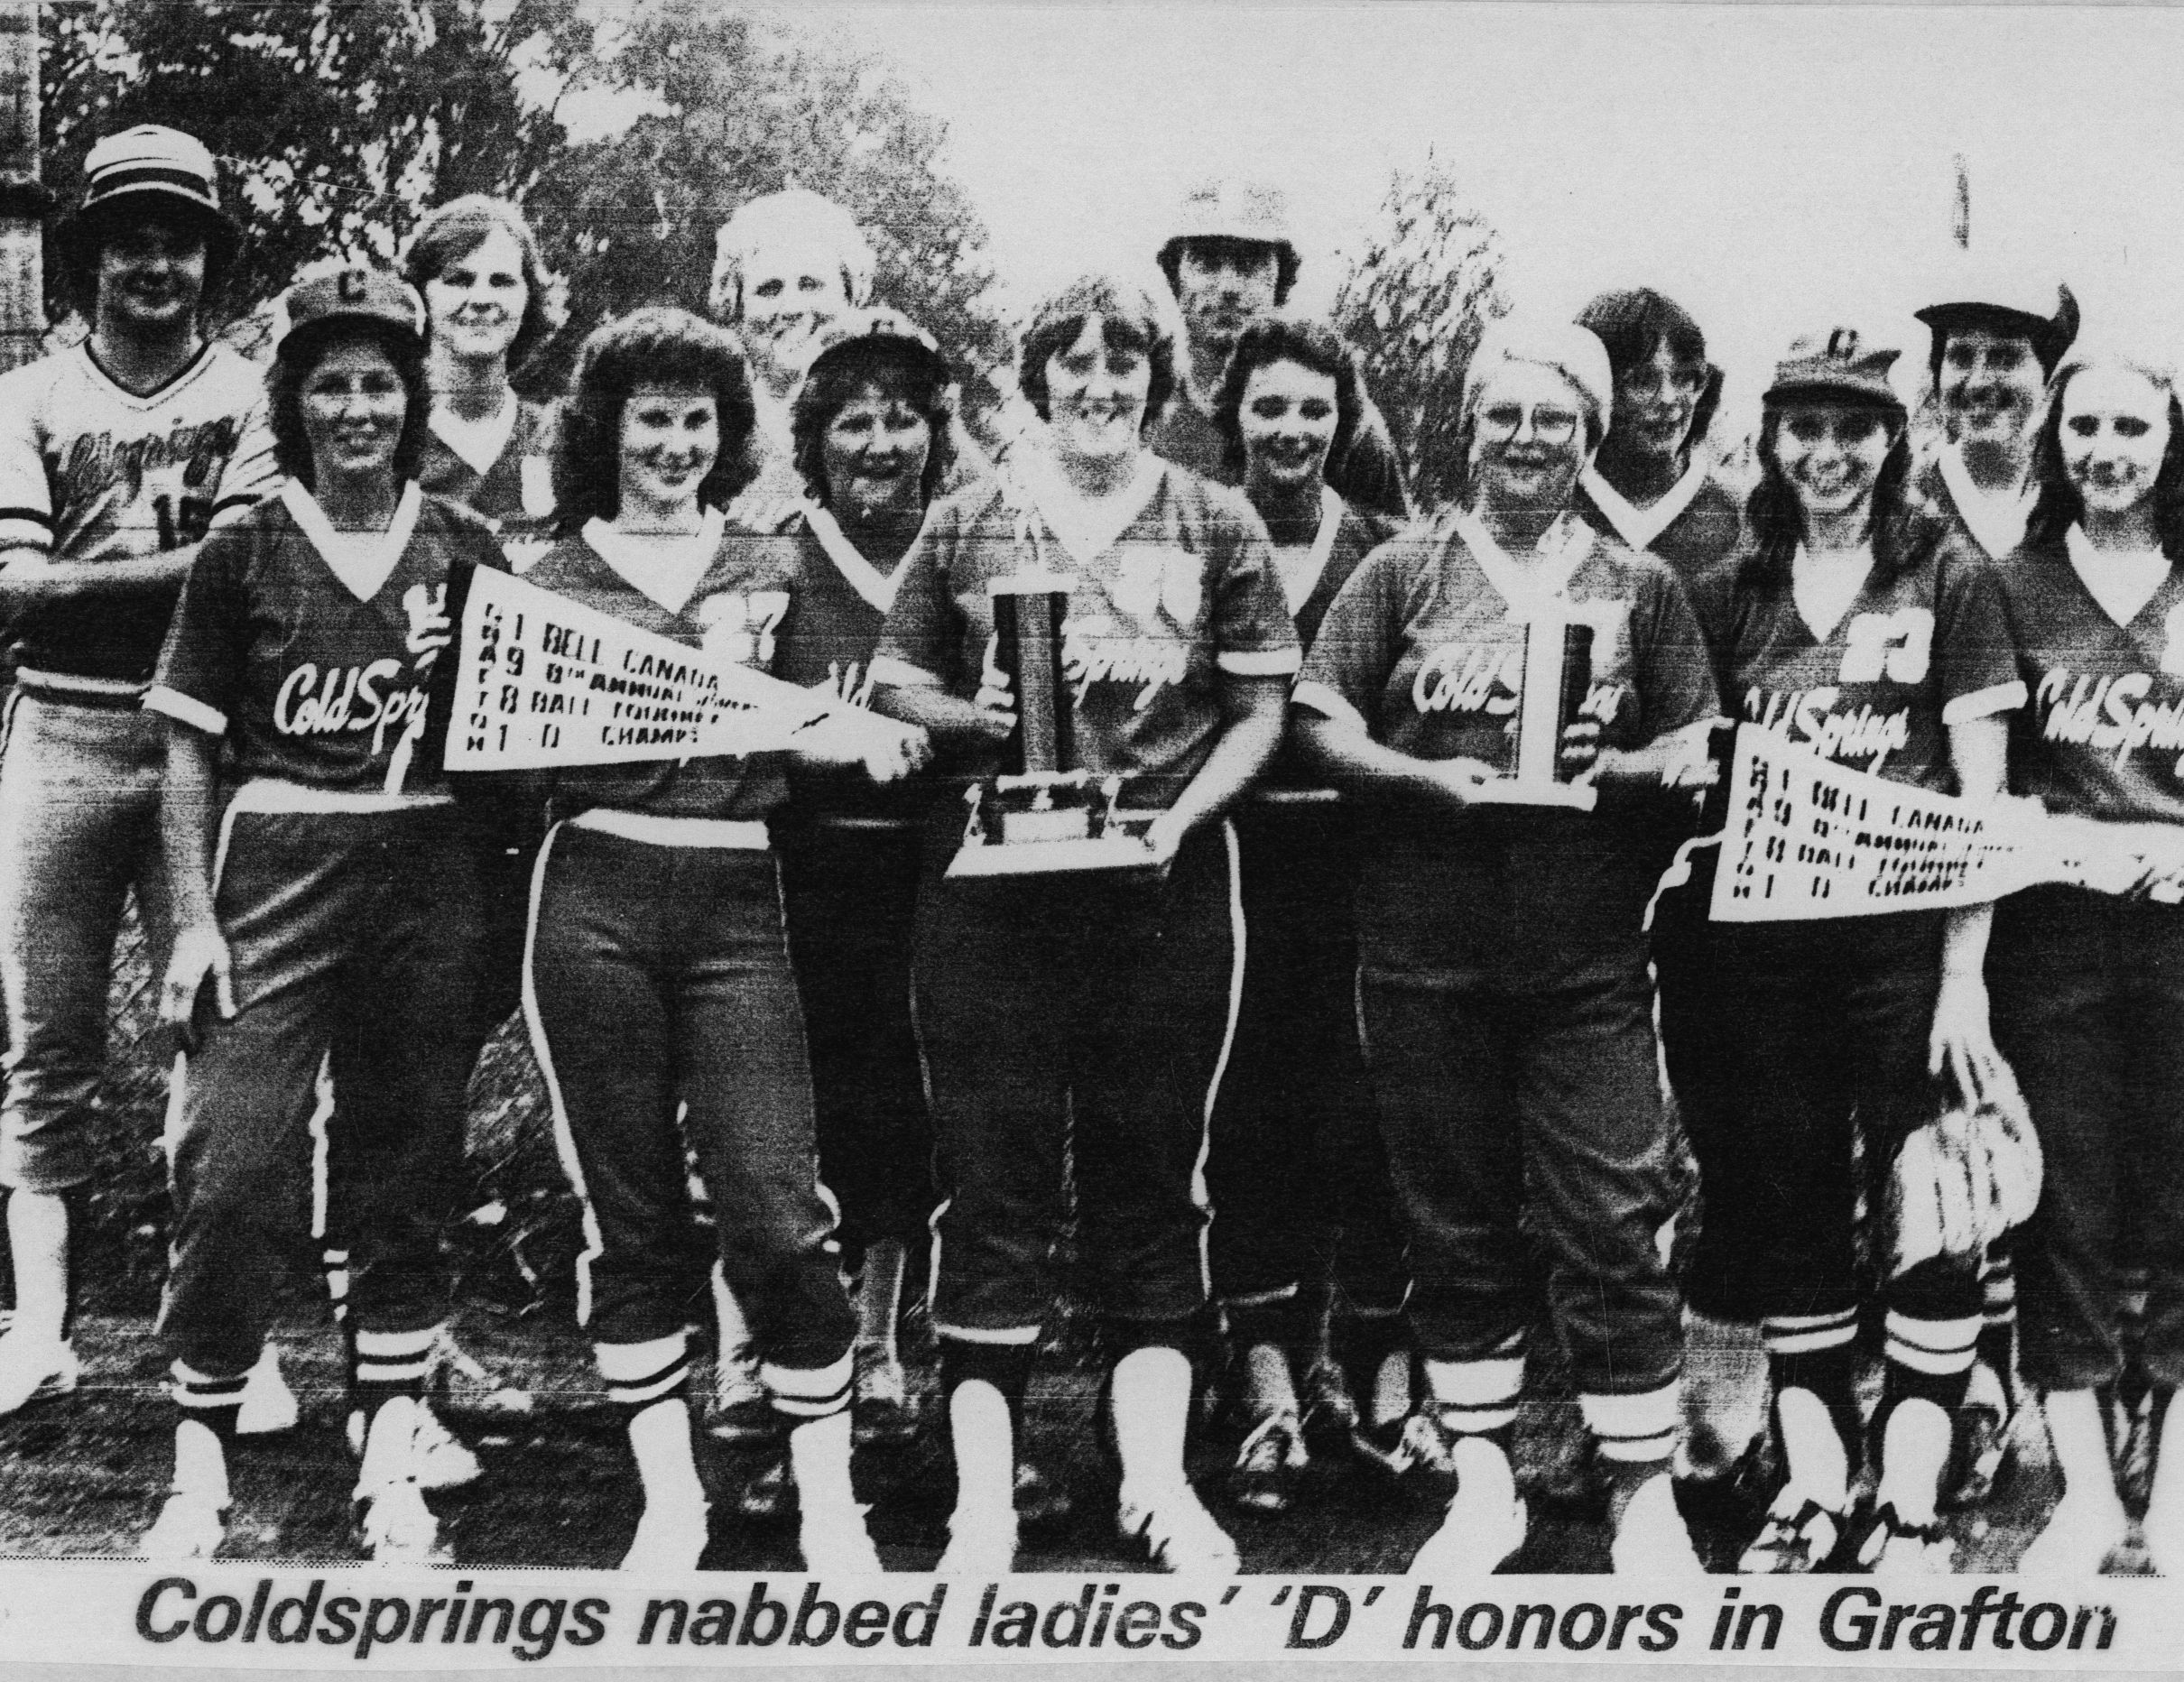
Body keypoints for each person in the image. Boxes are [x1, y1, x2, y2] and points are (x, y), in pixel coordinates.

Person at [870, 271, 1299, 1573]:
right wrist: (976, 723)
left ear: (1158, 385)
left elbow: (1260, 709)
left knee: (1153, 1176)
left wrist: (1179, 821)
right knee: (989, 1179)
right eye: (1074, 361)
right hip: (997, 895)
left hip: (1161, 887)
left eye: (1125, 365)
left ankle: (1156, 1485)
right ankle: (984, 1500)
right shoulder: (967, 516)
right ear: (1035, 376)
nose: (1099, 384)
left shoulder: (1215, 518)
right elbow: (897, 678)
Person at [1291, 316, 1717, 1576]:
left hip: (1583, 953)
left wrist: (1621, 764)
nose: (1526, 438)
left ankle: (1645, 1494)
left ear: (1589, 438)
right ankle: (1484, 1481)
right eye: (1503, 415)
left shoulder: (1639, 585)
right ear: (1466, 428)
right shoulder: (1408, 569)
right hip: (1425, 943)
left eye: (1553, 419)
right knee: (1454, 1216)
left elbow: (1699, 747)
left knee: (1614, 1213)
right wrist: (1432, 785)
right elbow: (1319, 721)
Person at [515, 305, 923, 1572]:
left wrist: (866, 732)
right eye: (653, 419)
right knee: (633, 1216)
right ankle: (672, 1502)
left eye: (699, 419)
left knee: (774, 1209)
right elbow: (512, 759)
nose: (677, 444)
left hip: (740, 900)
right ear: (606, 430)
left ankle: (832, 1504)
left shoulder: (769, 563)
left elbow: (820, 709)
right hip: (593, 894)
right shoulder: (544, 576)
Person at [140, 265, 504, 1562]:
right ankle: (199, 1452)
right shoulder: (245, 539)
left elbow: (507, 740)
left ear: (412, 400)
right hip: (277, 864)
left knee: (405, 1166)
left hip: (428, 867)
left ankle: (392, 1433)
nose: (357, 408)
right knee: (234, 1163)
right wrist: (191, 922)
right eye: (331, 385)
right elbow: (185, 748)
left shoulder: (465, 541)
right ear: (294, 402)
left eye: (380, 384)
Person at [1658, 328, 2020, 1574]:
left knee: (1930, 1204)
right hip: (1765, 948)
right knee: (1791, 1201)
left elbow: (1981, 799)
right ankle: (1816, 1484)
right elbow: (1693, 779)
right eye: (1802, 427)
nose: (1827, 452)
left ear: (1890, 437)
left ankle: (1909, 1498)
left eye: (1852, 427)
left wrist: (1966, 982)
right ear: (1768, 440)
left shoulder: (1948, 576)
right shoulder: (1726, 589)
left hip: (1906, 946)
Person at [0, 125, 278, 1417]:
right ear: (89, 257)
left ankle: (229, 1336)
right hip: (57, 732)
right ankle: (41, 1328)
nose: (155, 262)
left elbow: (243, 580)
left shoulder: (258, 394)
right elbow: (11, 597)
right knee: (47, 1045)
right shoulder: (28, 398)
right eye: (131, 239)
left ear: (209, 257)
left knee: (218, 1042)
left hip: (201, 745)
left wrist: (72, 584)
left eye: (180, 239)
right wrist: (147, 587)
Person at [1197, 314, 1411, 1512]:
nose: (1290, 429)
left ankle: (1377, 1376)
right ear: (1237, 417)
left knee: (1370, 1114)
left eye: (1313, 409)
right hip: (1228, 862)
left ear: (1345, 421)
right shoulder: (1196, 530)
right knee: (1249, 1120)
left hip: (1364, 865)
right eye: (1268, 407)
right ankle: (1264, 1377)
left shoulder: (1387, 546)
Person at [1985, 340, 2184, 1575]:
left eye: (2133, 430)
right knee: (2065, 1206)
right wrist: (2048, 836)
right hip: (2051, 937)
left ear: (2173, 444)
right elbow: (1978, 775)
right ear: (2058, 444)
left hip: (2183, 930)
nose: (2107, 453)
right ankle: (2083, 1495)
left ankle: (2172, 1494)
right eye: (2086, 430)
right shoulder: (2007, 585)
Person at [765, 308, 953, 1451]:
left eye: (902, 419)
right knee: (800, 1109)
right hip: (808, 865)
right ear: (813, 435)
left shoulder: (970, 545)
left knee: (913, 1113)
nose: (879, 444)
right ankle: (774, 1344)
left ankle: (882, 1340)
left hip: (936, 865)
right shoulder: (774, 555)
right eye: (852, 419)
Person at [1909, 267, 2079, 1504]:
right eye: (1960, 355)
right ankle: (1958, 1379)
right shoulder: (1904, 507)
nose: (1981, 380)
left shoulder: (2088, 501)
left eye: (2005, 358)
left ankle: (2044, 1378)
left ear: (2045, 380)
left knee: (2055, 1118)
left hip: (2073, 872)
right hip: (1934, 871)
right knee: (1945, 1116)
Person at [1151, 179, 1411, 522]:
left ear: (1281, 282)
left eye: (1250, 266)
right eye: (1207, 263)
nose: (1228, 288)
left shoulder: (1344, 424)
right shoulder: (1141, 401)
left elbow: (1395, 559)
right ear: (1176, 277)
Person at [1573, 288, 1742, 580]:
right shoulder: (1559, 505)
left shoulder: (1741, 517)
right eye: (1641, 380)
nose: (1668, 399)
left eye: (1684, 378)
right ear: (1595, 388)